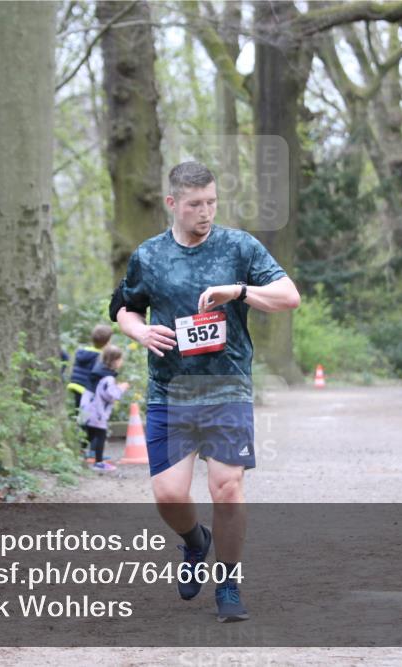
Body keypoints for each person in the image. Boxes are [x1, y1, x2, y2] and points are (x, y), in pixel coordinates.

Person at [110, 161, 300, 622]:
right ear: (173, 203)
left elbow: (289, 295)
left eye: (212, 202)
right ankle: (197, 542)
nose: (206, 212)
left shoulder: (238, 247)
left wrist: (237, 291)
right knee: (169, 495)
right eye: (196, 204)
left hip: (227, 385)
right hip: (170, 391)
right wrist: (140, 333)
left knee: (227, 487)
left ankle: (229, 583)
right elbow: (122, 307)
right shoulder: (150, 256)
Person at [78, 345, 130, 472]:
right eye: (120, 359)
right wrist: (121, 388)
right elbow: (111, 395)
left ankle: (79, 457)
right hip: (97, 411)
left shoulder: (97, 371)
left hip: (86, 407)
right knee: (100, 434)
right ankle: (99, 462)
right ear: (115, 360)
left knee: (88, 434)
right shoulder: (108, 377)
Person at [67, 324, 113, 411]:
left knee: (79, 412)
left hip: (76, 385)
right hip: (87, 390)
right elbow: (98, 375)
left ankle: (79, 423)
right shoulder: (99, 356)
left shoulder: (83, 352)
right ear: (107, 342)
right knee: (88, 416)